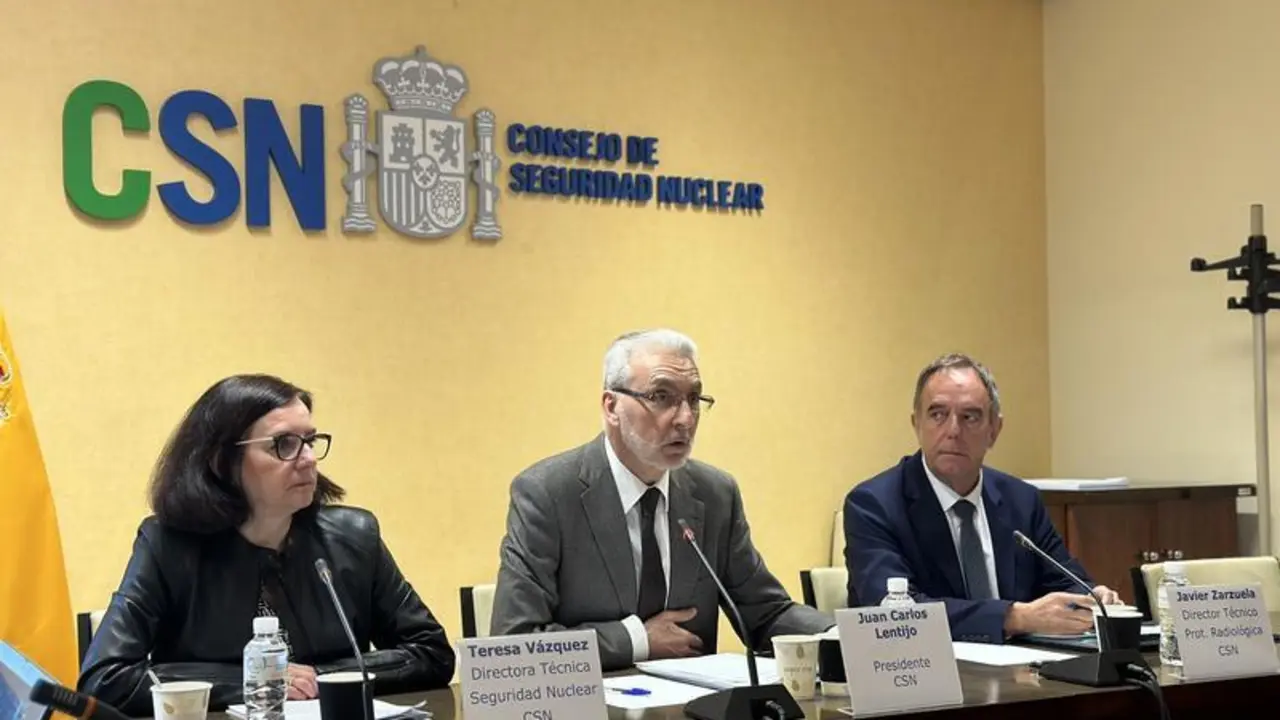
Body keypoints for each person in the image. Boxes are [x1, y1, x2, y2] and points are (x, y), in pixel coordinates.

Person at [78, 374, 455, 714]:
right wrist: (256, 680)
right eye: (283, 444)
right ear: (222, 461)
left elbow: (430, 653)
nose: (308, 460)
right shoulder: (168, 546)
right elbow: (105, 679)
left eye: (310, 441)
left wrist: (319, 678)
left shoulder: (354, 537)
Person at [490, 329, 832, 671]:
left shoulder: (715, 494)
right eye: (661, 397)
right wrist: (636, 640)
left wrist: (838, 633)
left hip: (693, 699)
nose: (685, 419)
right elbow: (514, 643)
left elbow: (766, 613)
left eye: (694, 399)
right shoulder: (547, 494)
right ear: (612, 406)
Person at [843, 353, 1122, 644]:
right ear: (917, 424)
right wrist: (1014, 617)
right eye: (937, 415)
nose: (953, 431)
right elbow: (895, 614)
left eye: (970, 417)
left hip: (1024, 669)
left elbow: (1065, 581)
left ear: (994, 430)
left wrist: (1092, 598)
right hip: (923, 668)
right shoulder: (874, 505)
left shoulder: (1021, 500)